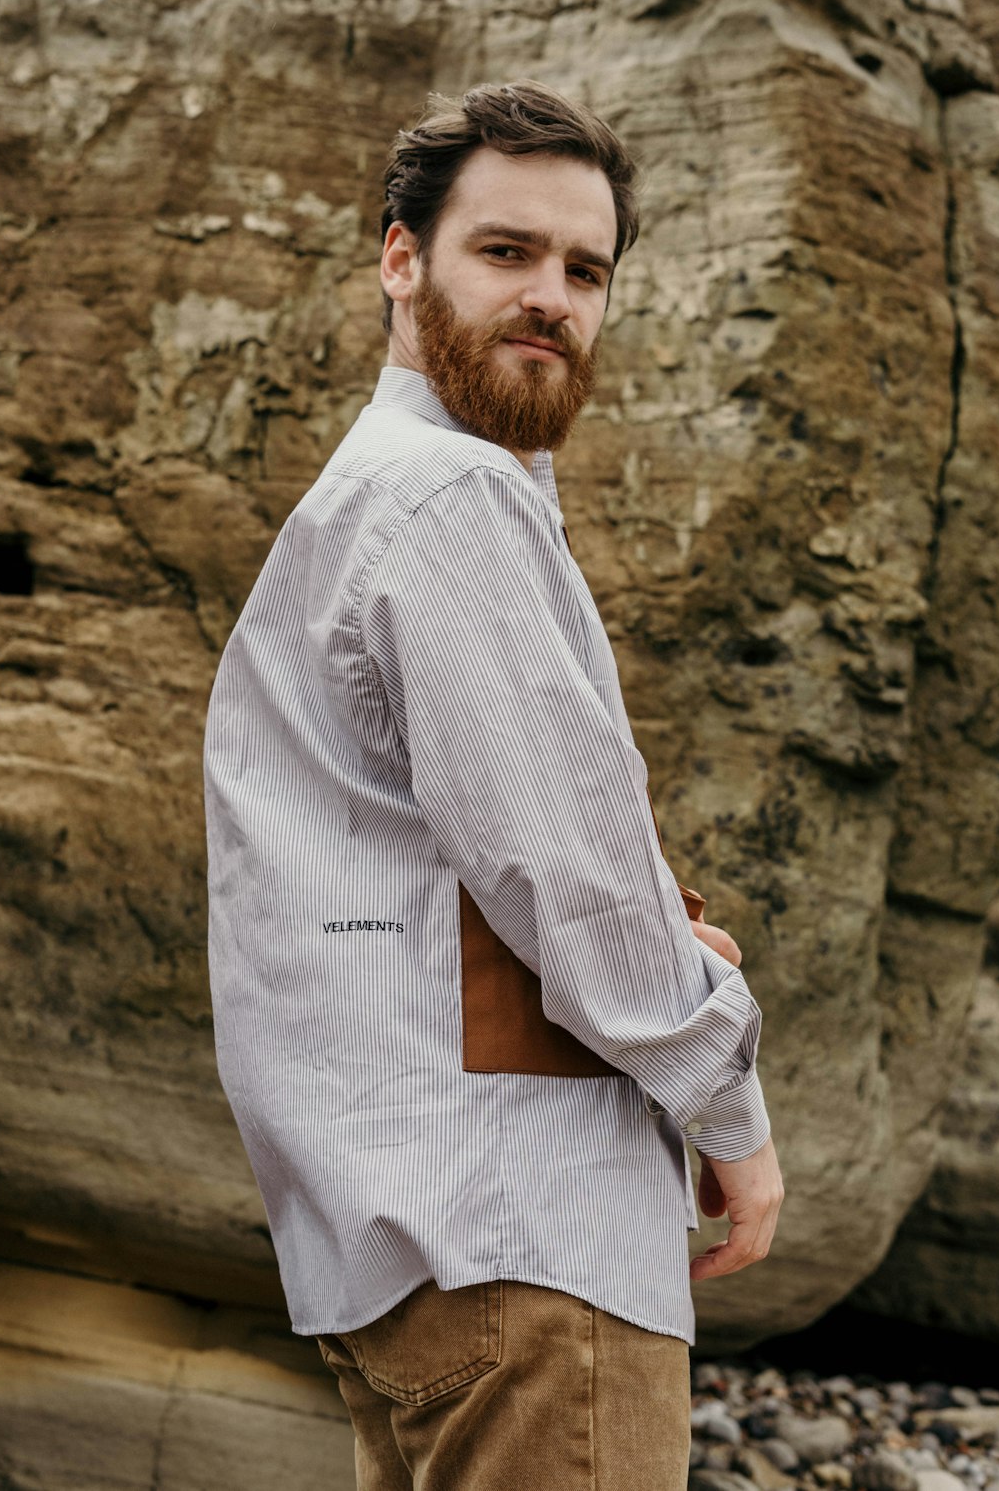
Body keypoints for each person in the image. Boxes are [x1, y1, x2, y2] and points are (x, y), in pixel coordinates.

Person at [204, 80, 784, 1490]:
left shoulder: (371, 500)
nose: (552, 299)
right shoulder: (445, 500)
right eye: (507, 252)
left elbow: (451, 862)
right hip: (524, 1247)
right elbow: (565, 878)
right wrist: (732, 1112)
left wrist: (653, 925)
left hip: (405, 1251)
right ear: (400, 259)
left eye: (586, 271)